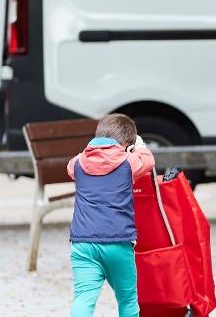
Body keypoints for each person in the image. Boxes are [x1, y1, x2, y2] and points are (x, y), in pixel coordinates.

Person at [66, 113, 156, 316]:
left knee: (83, 297)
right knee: (127, 298)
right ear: (126, 144)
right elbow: (148, 162)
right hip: (118, 242)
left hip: (82, 243)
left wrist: (93, 149)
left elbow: (72, 166)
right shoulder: (128, 161)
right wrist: (139, 147)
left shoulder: (78, 163)